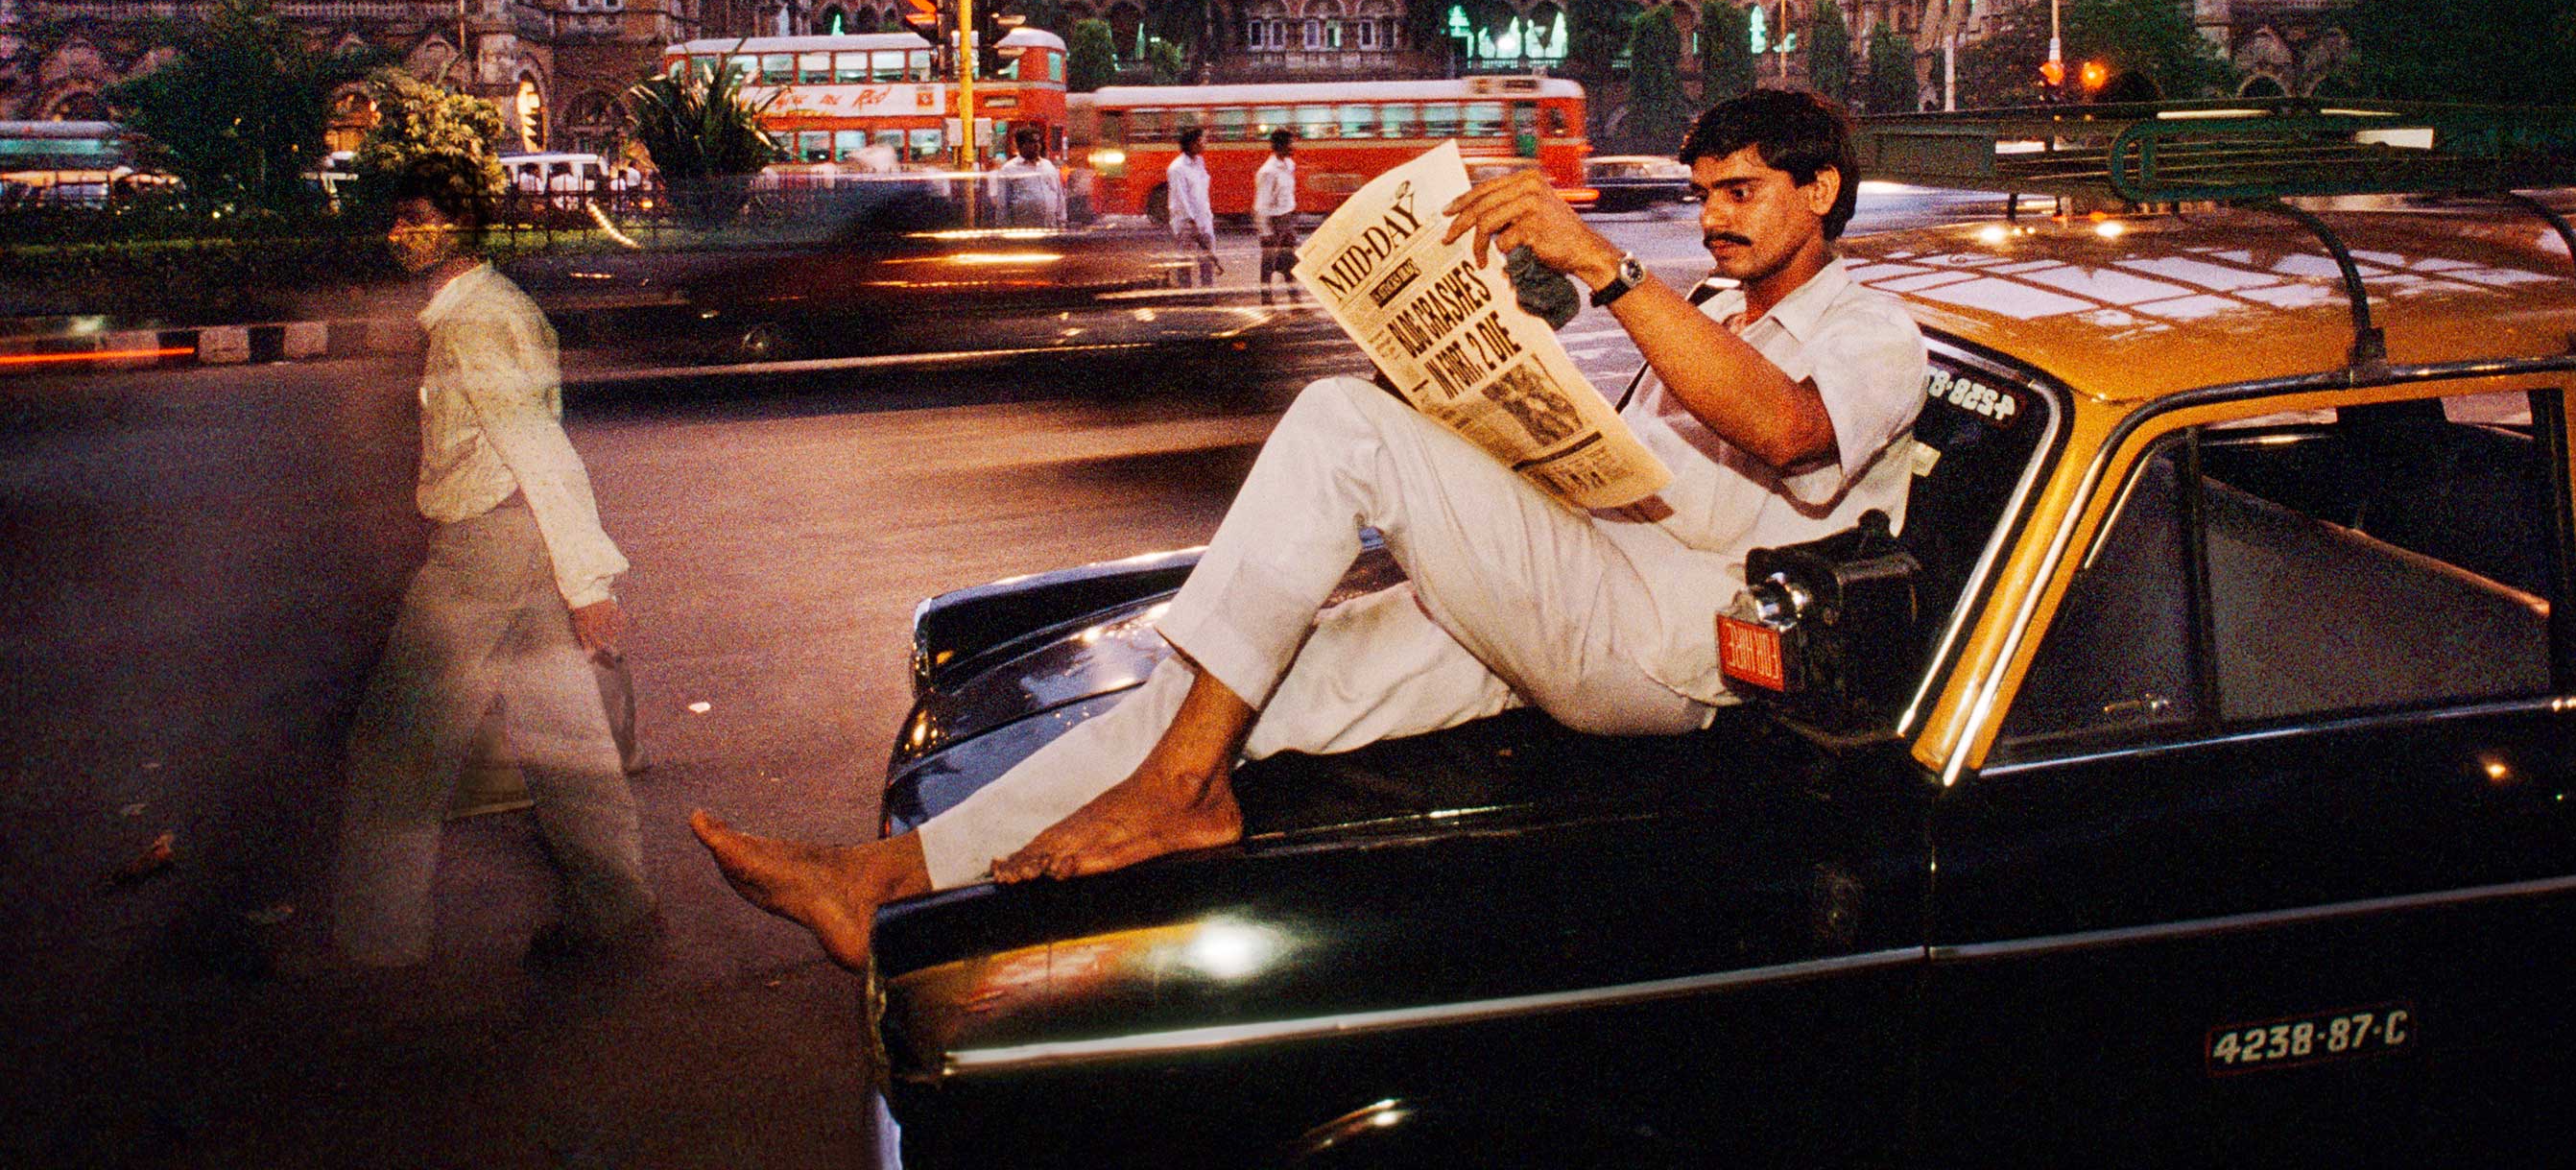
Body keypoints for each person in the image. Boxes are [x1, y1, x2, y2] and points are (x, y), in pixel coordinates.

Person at [694, 89, 1927, 969]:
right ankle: (878, 879)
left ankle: (1181, 794)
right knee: (1233, 679)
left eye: (1743, 192)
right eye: (1704, 192)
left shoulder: (1874, 331)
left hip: (1669, 641)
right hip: (1583, 579)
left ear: (1819, 192)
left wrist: (1607, 269)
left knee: (1340, 421)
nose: (1714, 216)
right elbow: (1629, 459)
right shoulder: (1709, 301)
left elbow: (1787, 431)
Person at [333, 155, 657, 968]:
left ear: (458, 227)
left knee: (398, 741)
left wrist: (587, 584)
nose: (397, 234)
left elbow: (540, 447)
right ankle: (617, 911)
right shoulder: (487, 306)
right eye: (397, 217)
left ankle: (376, 946)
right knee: (562, 732)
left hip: (487, 547)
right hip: (521, 540)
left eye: (415, 218)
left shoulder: (477, 319)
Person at [1165, 124, 1219, 284]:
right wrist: (1192, 223)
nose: (1206, 143)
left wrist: (1206, 219)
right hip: (1187, 224)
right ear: (1193, 143)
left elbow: (1202, 193)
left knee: (1207, 260)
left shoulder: (1199, 163)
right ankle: (1186, 294)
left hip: (1204, 220)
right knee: (1186, 262)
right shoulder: (1177, 168)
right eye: (1203, 140)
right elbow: (1181, 199)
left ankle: (1208, 293)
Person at [1252, 126, 1300, 302]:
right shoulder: (1268, 172)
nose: (1294, 146)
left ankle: (1294, 299)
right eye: (1291, 143)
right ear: (1281, 146)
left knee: (1289, 262)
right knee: (1268, 263)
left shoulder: (1289, 165)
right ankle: (1266, 298)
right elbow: (1261, 205)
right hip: (1273, 221)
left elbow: (1288, 194)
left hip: (1287, 218)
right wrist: (1266, 232)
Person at [994, 126, 1066, 228]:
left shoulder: (1048, 166)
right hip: (1024, 233)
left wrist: (1062, 223)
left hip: (1051, 230)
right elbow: (1003, 204)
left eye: (1038, 142)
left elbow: (1059, 196)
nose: (1037, 146)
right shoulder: (1009, 169)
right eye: (1031, 142)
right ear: (1021, 145)